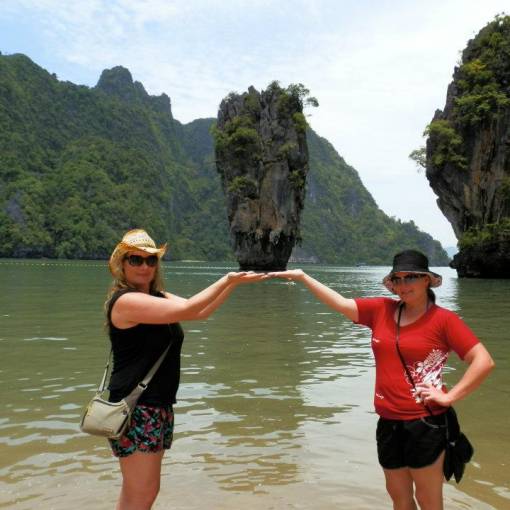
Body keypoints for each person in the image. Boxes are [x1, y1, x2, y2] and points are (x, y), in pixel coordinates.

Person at [270, 249, 494, 510]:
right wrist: (302, 277)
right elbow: (341, 304)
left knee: (428, 499)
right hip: (388, 422)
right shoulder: (381, 310)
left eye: (410, 277)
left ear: (426, 280)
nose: (402, 285)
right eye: (397, 279)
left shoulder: (444, 320)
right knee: (399, 497)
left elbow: (483, 360)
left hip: (425, 423)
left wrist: (449, 396)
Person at [105, 229, 267, 510]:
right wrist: (227, 278)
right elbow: (191, 308)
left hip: (155, 406)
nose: (144, 266)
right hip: (137, 409)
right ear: (122, 264)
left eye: (150, 260)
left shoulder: (157, 296)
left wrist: (233, 285)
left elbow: (201, 313)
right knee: (141, 494)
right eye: (136, 260)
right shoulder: (126, 301)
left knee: (139, 493)